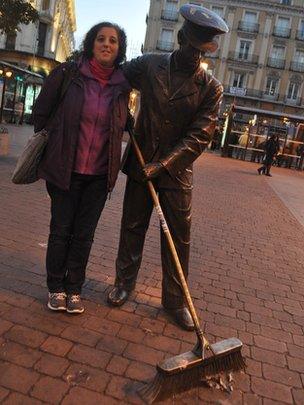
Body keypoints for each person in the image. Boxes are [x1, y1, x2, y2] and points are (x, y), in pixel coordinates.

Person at [107, 4, 228, 331]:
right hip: (140, 162)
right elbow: (117, 78)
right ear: (180, 39)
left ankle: (174, 300)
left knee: (177, 236)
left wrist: (163, 164)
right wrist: (122, 111)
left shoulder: (211, 88)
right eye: (191, 47)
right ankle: (124, 283)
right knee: (132, 226)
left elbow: (200, 135)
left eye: (201, 51)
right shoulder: (149, 65)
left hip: (175, 172)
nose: (194, 55)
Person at [33, 22, 131, 314]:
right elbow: (41, 112)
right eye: (101, 39)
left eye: (113, 41)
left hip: (99, 176)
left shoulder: (122, 87)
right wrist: (54, 146)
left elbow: (124, 123)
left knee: (84, 234)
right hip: (65, 170)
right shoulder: (69, 74)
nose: (107, 44)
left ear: (119, 48)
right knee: (61, 230)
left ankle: (74, 288)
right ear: (91, 44)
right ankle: (56, 287)